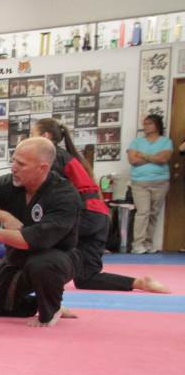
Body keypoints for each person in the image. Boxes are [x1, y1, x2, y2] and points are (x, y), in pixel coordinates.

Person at [32, 117, 168, 294]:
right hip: (99, 217)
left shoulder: (53, 156)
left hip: (85, 215)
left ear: (45, 136)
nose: (29, 139)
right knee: (86, 278)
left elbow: (49, 191)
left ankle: (41, 294)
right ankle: (140, 283)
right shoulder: (66, 156)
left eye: (32, 134)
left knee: (37, 240)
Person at [0, 138, 80, 327]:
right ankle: (37, 304)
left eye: (21, 164)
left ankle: (51, 308)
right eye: (13, 160)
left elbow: (36, 238)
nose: (13, 168)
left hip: (56, 258)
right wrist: (3, 216)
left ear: (42, 168)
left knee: (42, 264)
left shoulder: (64, 195)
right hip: (16, 259)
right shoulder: (8, 184)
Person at [126, 114, 173, 254]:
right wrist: (154, 157)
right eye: (145, 124)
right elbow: (133, 160)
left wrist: (143, 155)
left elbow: (163, 159)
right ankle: (137, 244)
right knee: (143, 212)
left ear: (157, 125)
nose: (145, 126)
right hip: (140, 182)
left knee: (153, 213)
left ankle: (148, 242)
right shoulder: (136, 142)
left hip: (160, 182)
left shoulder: (166, 141)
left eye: (149, 124)